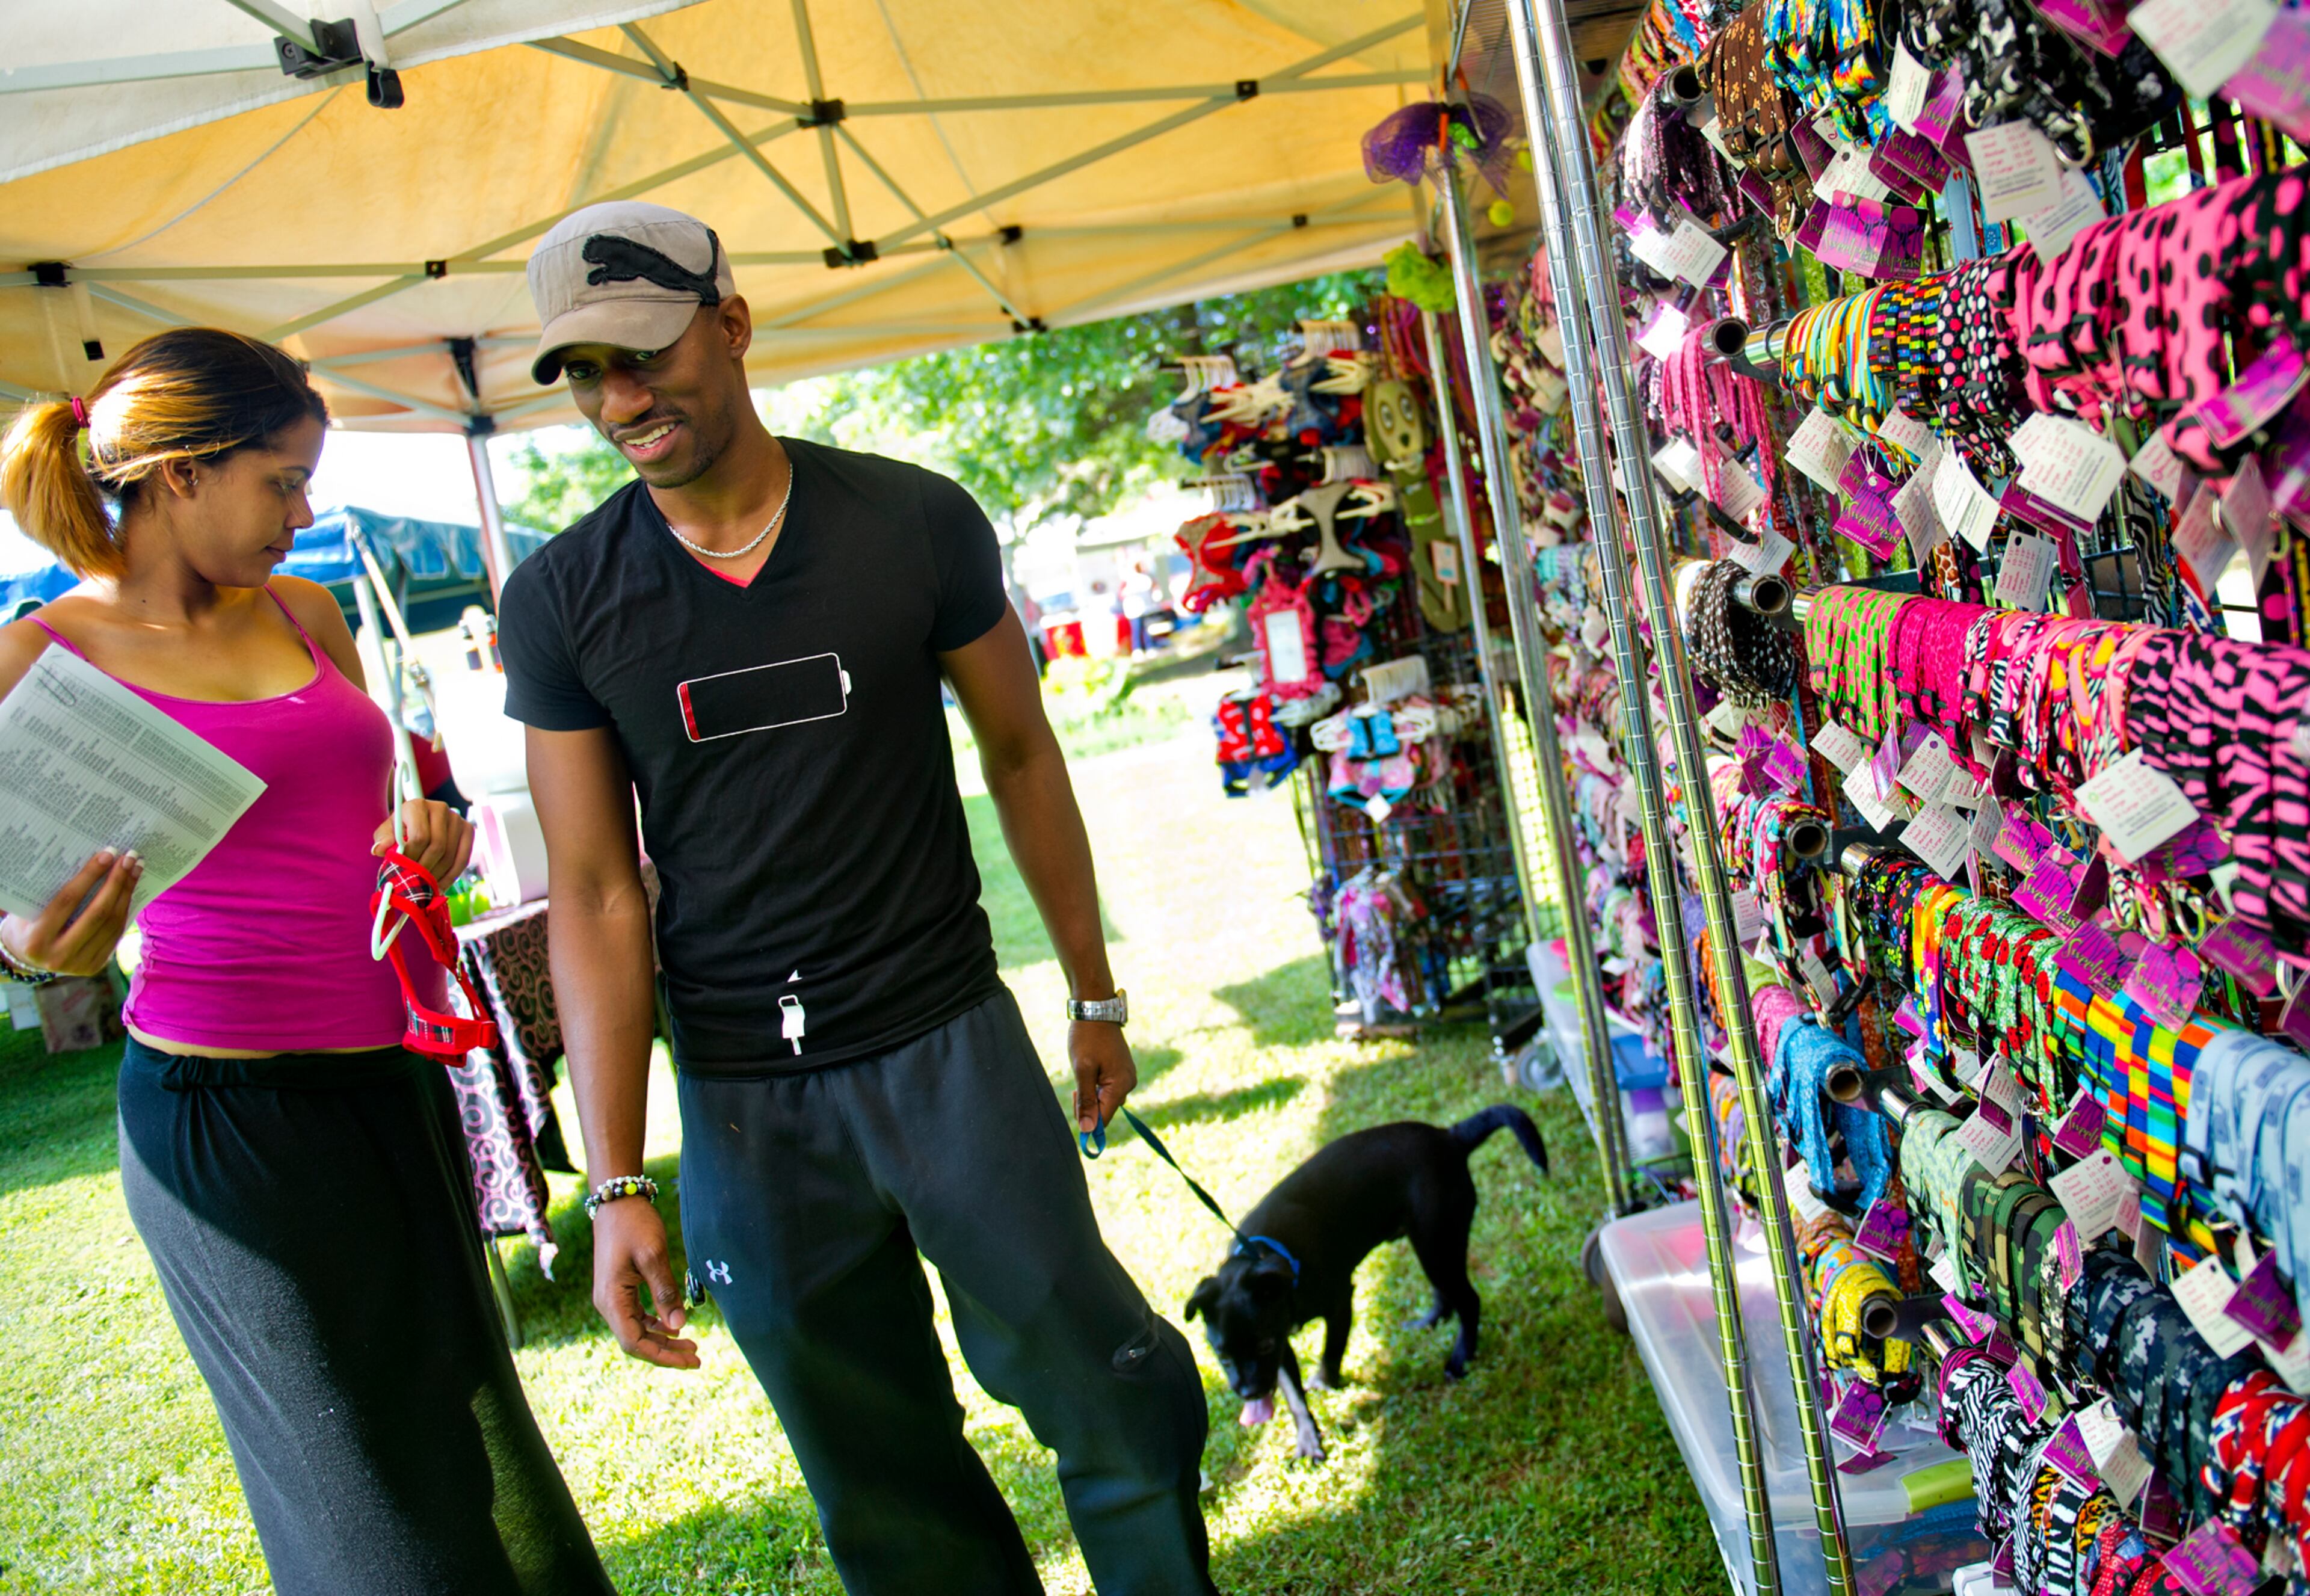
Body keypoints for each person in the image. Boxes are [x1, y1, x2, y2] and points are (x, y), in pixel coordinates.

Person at [499, 200, 1216, 1595]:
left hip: (944, 1039)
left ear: (734, 322)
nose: (621, 400)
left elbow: (1021, 752)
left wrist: (1095, 994)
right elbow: (591, 893)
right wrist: (620, 1179)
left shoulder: (912, 522)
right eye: (587, 372)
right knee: (867, 1460)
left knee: (1103, 1377)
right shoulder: (563, 598)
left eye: (645, 355)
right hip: (747, 1102)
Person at [0, 329, 615, 1596]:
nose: (305, 508)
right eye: (281, 481)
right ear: (179, 475)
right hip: (227, 1123)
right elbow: (10, 914)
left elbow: (352, 808)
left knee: (459, 1422)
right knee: (361, 1486)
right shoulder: (40, 656)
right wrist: (31, 946)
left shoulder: (303, 608)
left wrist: (414, 840)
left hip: (388, 1082)